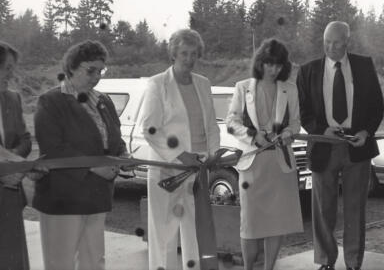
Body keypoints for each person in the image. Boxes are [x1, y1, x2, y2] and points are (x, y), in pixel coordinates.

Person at [296, 21, 384, 270]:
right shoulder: (308, 71)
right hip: (324, 145)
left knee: (356, 209)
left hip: (357, 146)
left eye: (336, 43)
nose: (331, 47)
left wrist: (367, 132)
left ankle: (354, 263)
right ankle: (325, 261)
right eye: (326, 42)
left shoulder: (364, 66)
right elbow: (305, 112)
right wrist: (322, 130)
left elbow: (377, 106)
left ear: (347, 42)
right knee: (324, 210)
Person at [33, 40, 128, 270]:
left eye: (100, 71)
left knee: (94, 261)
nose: (96, 76)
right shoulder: (50, 101)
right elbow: (53, 147)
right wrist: (95, 167)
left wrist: (124, 155)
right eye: (90, 70)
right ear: (72, 67)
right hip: (63, 197)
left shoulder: (103, 100)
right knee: (61, 262)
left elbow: (114, 137)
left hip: (96, 197)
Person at [141, 28, 220, 270]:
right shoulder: (158, 84)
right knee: (164, 234)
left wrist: (214, 153)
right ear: (174, 53)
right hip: (167, 169)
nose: (189, 59)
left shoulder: (203, 83)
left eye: (194, 53)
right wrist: (180, 155)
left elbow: (211, 124)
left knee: (194, 231)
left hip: (198, 168)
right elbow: (150, 128)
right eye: (184, 53)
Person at [226, 38, 303, 270]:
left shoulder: (290, 89)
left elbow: (296, 122)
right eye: (269, 64)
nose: (273, 70)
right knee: (250, 224)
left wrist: (288, 132)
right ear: (260, 62)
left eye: (278, 65)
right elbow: (231, 122)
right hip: (252, 164)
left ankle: (269, 267)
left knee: (276, 223)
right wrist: (253, 135)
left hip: (280, 165)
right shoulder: (242, 87)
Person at [0, 38, 32, 270]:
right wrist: (14, 165)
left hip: (10, 198)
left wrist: (17, 163)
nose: (11, 74)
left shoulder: (12, 98)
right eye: (7, 68)